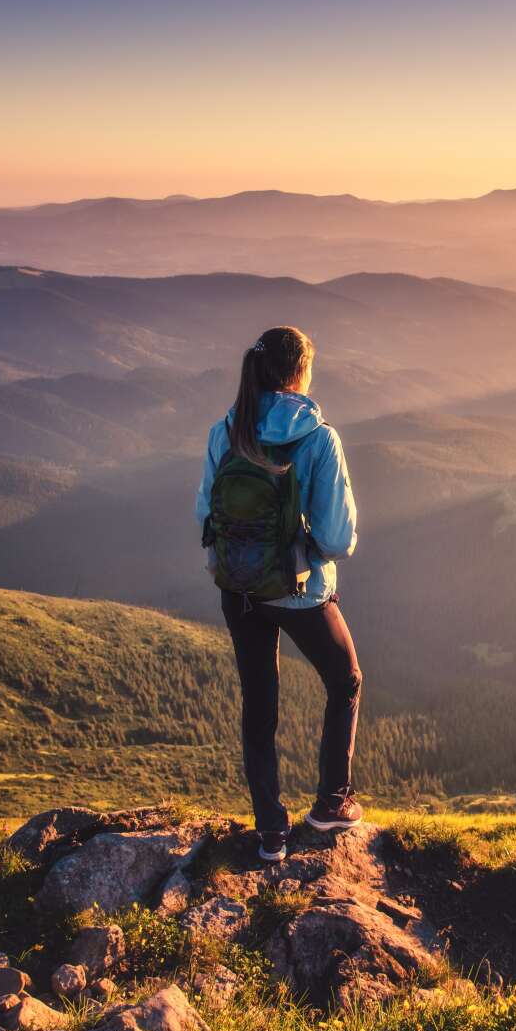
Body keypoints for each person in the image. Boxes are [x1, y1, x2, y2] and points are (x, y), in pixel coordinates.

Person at [195, 325, 363, 862]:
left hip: (238, 588)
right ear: (300, 373)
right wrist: (307, 547)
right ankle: (331, 804)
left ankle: (271, 833)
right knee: (345, 679)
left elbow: (206, 514)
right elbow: (337, 538)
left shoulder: (226, 430)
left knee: (259, 705)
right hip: (299, 591)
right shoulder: (318, 437)